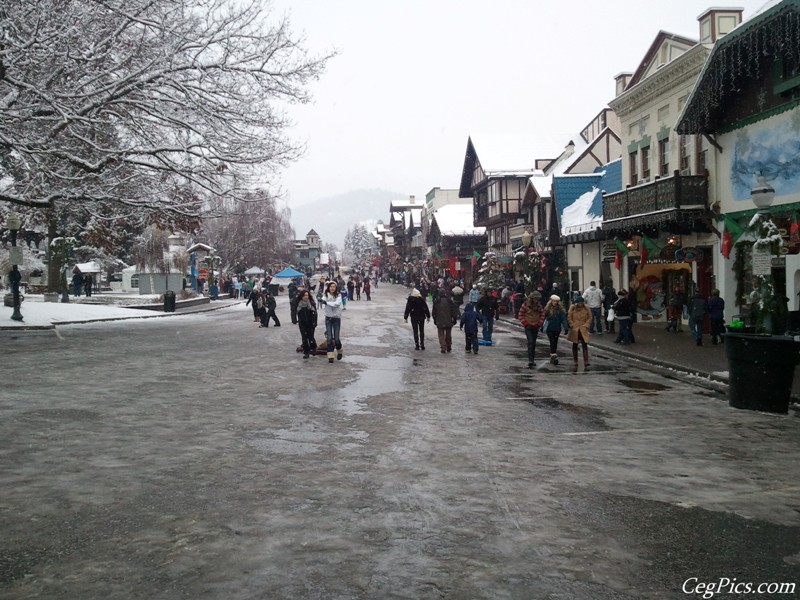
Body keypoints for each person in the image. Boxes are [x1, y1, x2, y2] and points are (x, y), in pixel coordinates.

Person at [518, 291, 544, 368]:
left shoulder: (539, 306)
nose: (536, 301)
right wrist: (525, 324)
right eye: (535, 299)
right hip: (528, 326)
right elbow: (520, 314)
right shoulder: (525, 305)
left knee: (534, 343)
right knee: (531, 342)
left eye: (537, 299)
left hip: (536, 326)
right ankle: (530, 359)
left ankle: (532, 359)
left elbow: (542, 314)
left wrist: (539, 323)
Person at [320, 281, 344, 363]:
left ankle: (339, 350)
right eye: (331, 287)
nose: (332, 288)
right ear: (328, 288)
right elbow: (321, 299)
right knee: (329, 338)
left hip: (336, 318)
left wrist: (327, 303)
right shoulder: (325, 295)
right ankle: (330, 356)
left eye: (334, 286)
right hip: (328, 318)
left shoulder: (339, 295)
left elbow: (336, 304)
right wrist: (321, 299)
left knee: (336, 338)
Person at [542, 295, 569, 365]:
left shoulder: (560, 310)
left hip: (557, 328)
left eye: (556, 301)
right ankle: (554, 355)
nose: (555, 303)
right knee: (552, 341)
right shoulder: (547, 309)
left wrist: (566, 328)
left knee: (555, 342)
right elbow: (543, 318)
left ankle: (553, 355)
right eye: (554, 301)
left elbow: (563, 319)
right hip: (549, 328)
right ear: (551, 301)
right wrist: (541, 326)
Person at [567, 295, 592, 367]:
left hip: (583, 328)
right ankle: (575, 361)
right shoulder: (573, 308)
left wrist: (587, 325)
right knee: (575, 344)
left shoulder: (586, 308)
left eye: (581, 303)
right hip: (575, 329)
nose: (580, 304)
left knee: (585, 344)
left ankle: (586, 361)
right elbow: (569, 317)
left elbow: (590, 317)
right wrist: (572, 325)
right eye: (579, 303)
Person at [293, 289, 318, 358]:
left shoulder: (311, 303)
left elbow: (315, 313)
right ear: (301, 296)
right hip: (302, 322)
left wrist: (315, 322)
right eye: (304, 295)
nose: (306, 297)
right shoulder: (298, 303)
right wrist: (294, 319)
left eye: (307, 295)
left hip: (310, 322)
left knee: (310, 337)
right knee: (304, 337)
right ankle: (306, 352)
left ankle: (313, 347)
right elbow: (294, 311)